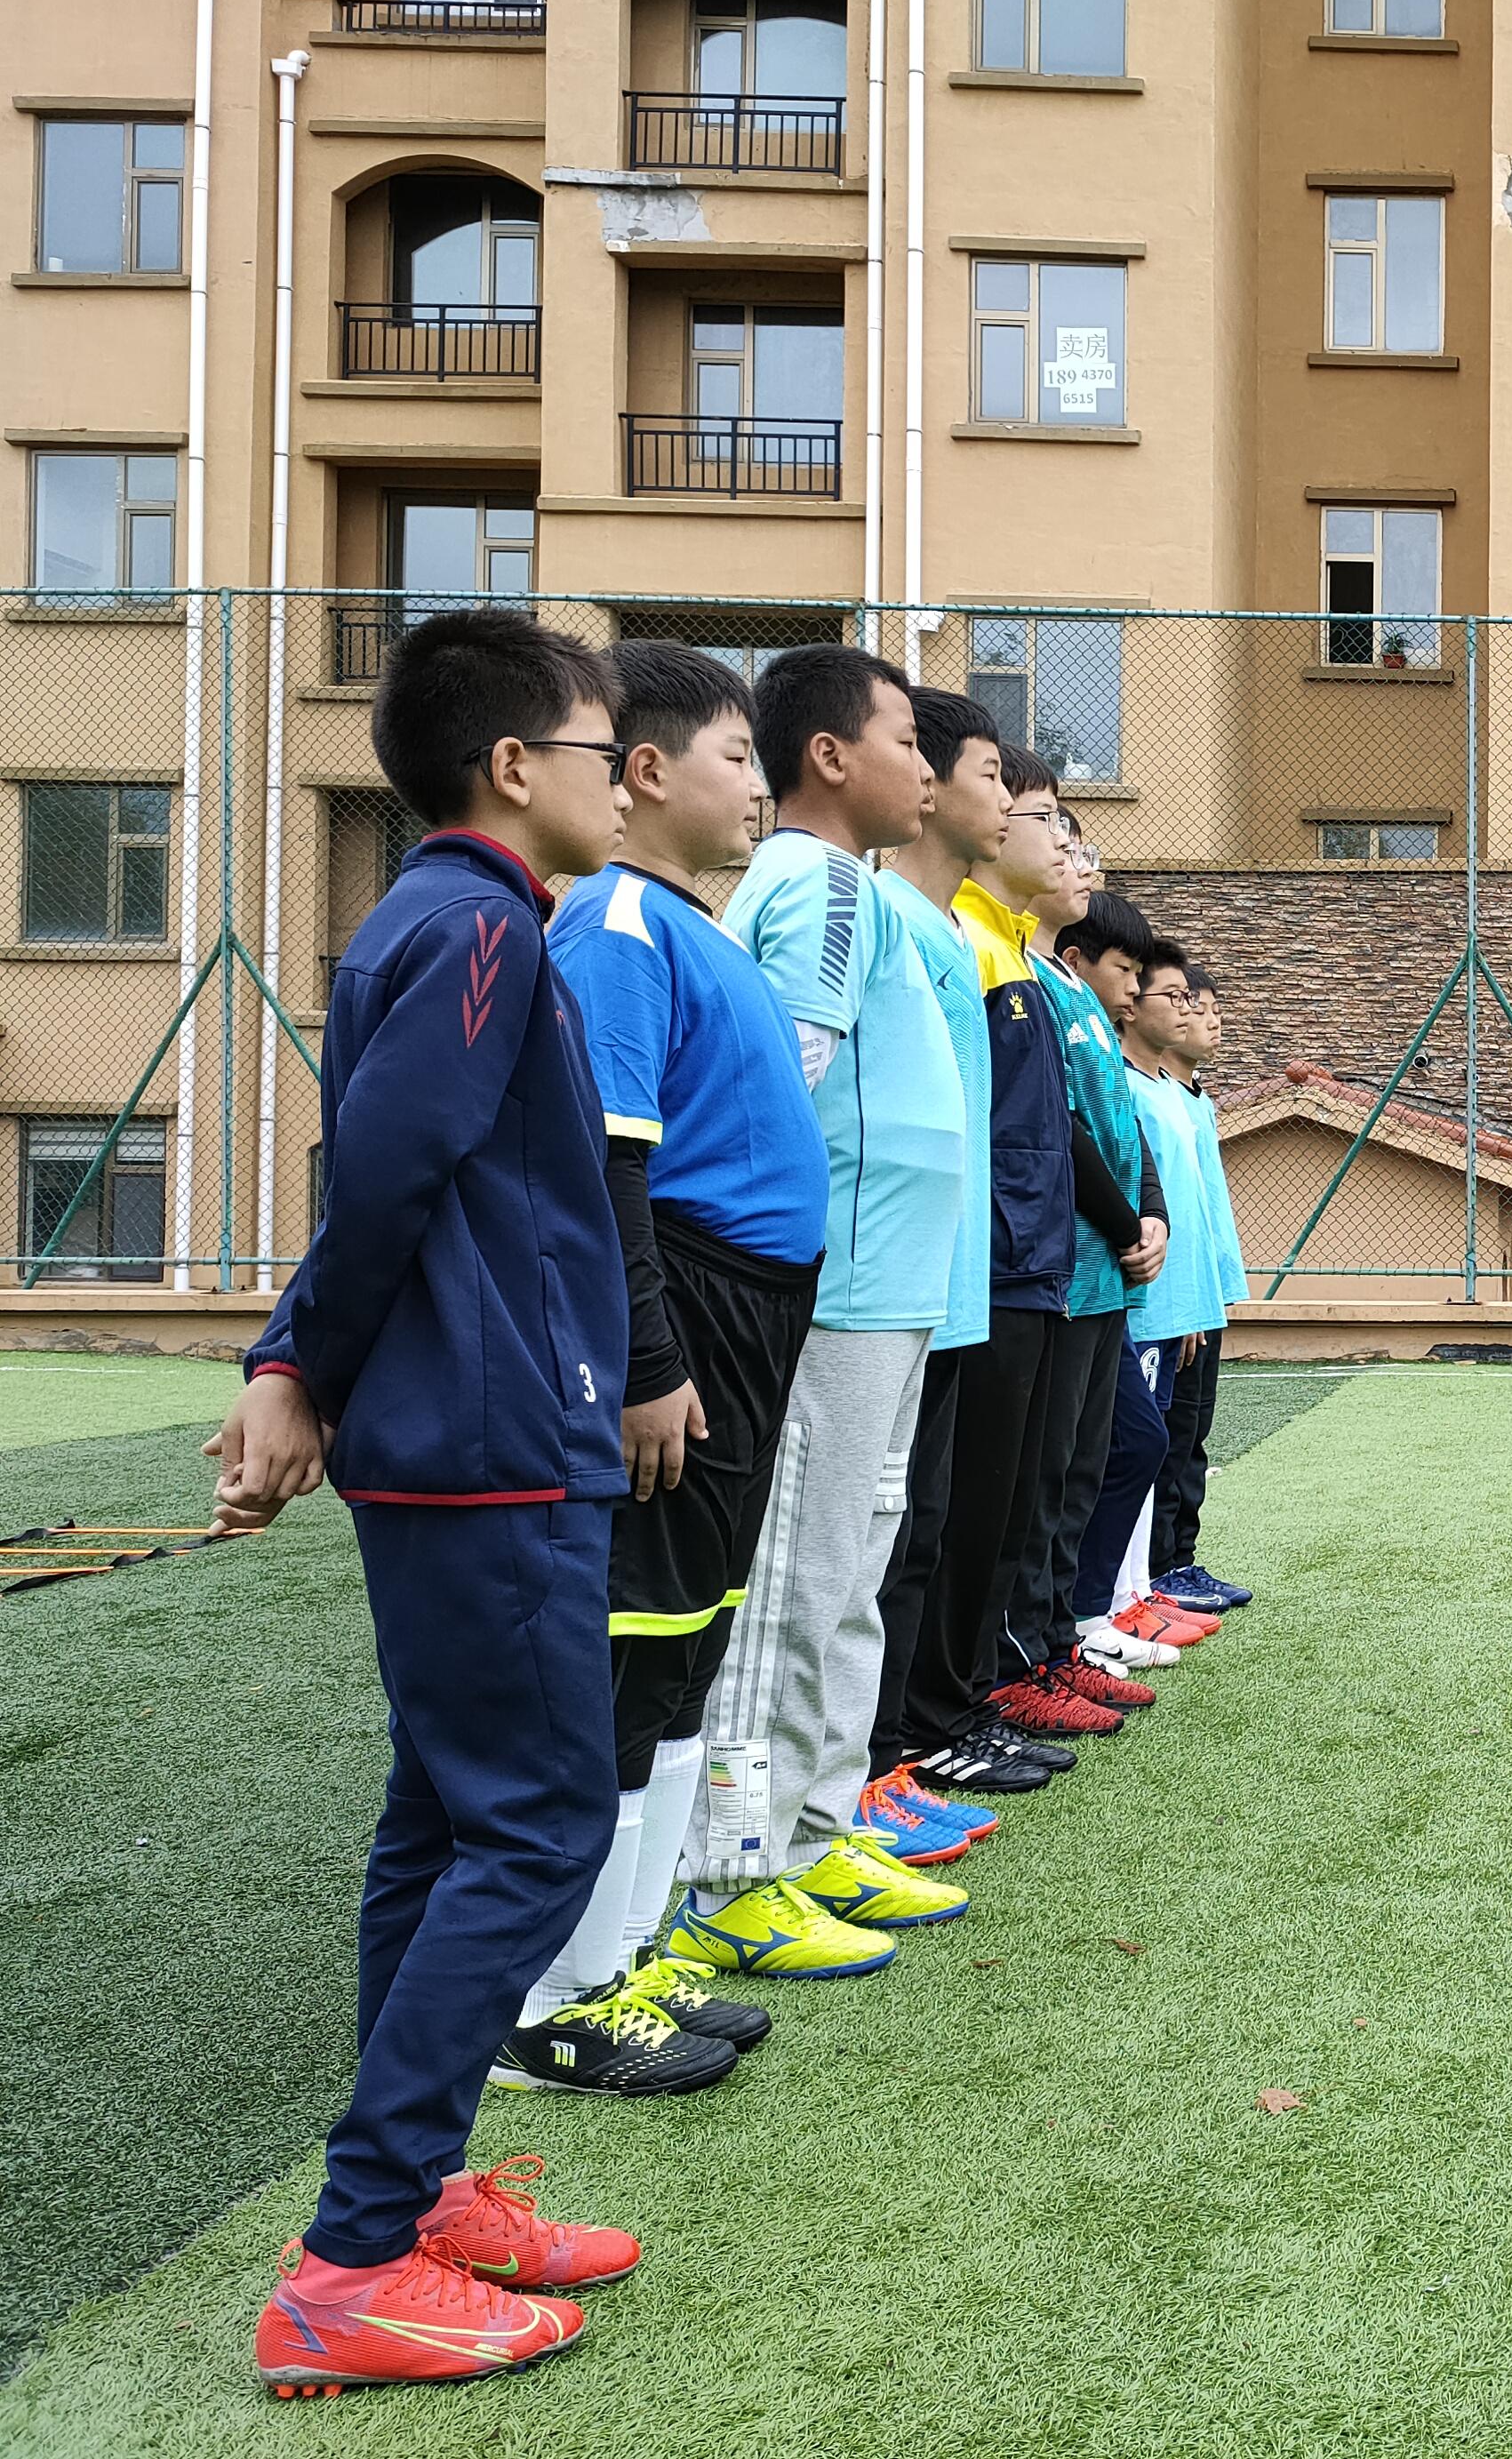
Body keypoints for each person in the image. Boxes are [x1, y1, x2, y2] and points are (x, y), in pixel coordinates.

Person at [216, 608, 644, 2393]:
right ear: (512, 768)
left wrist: (301, 1371)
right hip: (487, 1443)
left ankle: (416, 2203)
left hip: (470, 1435)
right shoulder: (476, 927)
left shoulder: (450, 921)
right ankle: (351, 2259)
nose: (621, 779)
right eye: (602, 747)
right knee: (541, 1827)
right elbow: (381, 1170)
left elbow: (383, 1167)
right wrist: (292, 1367)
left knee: (442, 1823)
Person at [504, 639, 833, 2097]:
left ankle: (621, 1961)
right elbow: (610, 1178)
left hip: (744, 1318)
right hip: (686, 1318)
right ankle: (551, 1999)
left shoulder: (681, 927)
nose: (755, 793)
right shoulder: (618, 930)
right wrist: (648, 1364)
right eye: (735, 762)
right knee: (635, 1650)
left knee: (688, 1643)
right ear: (643, 771)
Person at [667, 645, 969, 1982]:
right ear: (834, 757)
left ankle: (817, 1823)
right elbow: (778, 1081)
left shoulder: (859, 889)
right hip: (831, 1294)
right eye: (905, 737)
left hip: (887, 1293)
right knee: (790, 1581)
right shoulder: (825, 882)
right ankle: (734, 1870)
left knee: (848, 1569)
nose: (924, 760)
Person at [855, 685, 1049, 1820]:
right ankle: (889, 1754)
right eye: (996, 778)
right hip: (893, 1283)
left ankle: (911, 1741)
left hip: (961, 1279)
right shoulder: (889, 919)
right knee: (887, 1540)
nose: (1012, 803)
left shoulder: (971, 939)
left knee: (931, 1524)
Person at [916, 747, 1090, 1776]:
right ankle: (937, 1720)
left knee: (1006, 1497)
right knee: (956, 1510)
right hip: (984, 1266)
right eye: (1043, 815)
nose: (1063, 839)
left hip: (1031, 1261)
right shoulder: (964, 943)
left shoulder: (1013, 952)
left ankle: (977, 1691)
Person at [995, 873, 1168, 1729]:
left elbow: (1122, 1130)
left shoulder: (1088, 1011)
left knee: (1085, 1464)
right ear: (1078, 956)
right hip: (1060, 1272)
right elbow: (1057, 1125)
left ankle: (1060, 1645)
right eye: (1127, 968)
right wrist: (1123, 1215)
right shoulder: (1032, 990)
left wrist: (1154, 1214)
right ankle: (1025, 1659)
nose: (1136, 986)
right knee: (1045, 1474)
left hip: (1104, 1278)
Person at [1077, 939, 1231, 1664]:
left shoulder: (1174, 1094)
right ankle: (1117, 1599)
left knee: (1160, 1443)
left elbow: (1176, 1207)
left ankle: (1136, 1591)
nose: (1158, 1000)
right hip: (1140, 1303)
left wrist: (1198, 1302)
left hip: (1177, 1302)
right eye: (1173, 995)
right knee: (1136, 1447)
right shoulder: (1129, 1086)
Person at [1139, 956, 1255, 1622]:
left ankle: (1180, 1559)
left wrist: (1214, 1287)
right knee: (1166, 1437)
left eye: (1209, 1009)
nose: (1203, 1021)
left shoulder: (1195, 1099)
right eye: (1187, 1004)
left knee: (1191, 1435)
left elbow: (1204, 1205)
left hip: (1199, 1295)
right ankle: (1161, 1566)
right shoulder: (1142, 1093)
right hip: (1168, 1300)